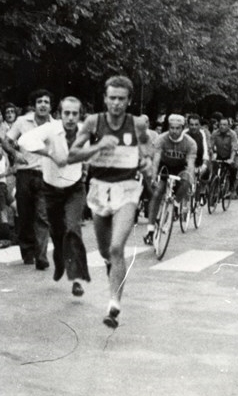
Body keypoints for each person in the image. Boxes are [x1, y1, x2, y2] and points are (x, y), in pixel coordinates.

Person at [68, 75, 150, 328]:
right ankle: (110, 268)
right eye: (112, 98)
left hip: (127, 189)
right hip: (99, 188)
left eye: (121, 99)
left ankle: (114, 303)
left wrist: (147, 162)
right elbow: (72, 155)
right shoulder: (94, 122)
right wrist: (98, 146)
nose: (116, 103)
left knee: (117, 248)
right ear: (105, 99)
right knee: (105, 251)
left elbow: (147, 148)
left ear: (129, 101)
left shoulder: (136, 125)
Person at [19, 96, 90, 296]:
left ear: (79, 115)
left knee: (73, 229)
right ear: (59, 114)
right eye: (66, 113)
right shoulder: (51, 129)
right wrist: (50, 153)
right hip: (50, 188)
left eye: (74, 113)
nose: (70, 117)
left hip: (74, 188)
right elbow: (24, 140)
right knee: (58, 234)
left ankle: (76, 278)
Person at [5, 90, 54, 270]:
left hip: (46, 176)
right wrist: (14, 153)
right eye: (39, 101)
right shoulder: (22, 122)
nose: (42, 105)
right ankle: (27, 251)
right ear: (34, 105)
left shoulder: (55, 126)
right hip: (25, 174)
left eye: (46, 102)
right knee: (25, 215)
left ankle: (41, 256)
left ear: (51, 106)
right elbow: (6, 141)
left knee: (43, 216)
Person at [142, 114, 196, 244]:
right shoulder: (161, 139)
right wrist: (154, 177)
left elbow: (190, 164)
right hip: (165, 166)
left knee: (186, 181)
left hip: (180, 168)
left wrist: (190, 180)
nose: (174, 131)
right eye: (172, 128)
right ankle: (150, 231)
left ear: (183, 128)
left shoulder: (190, 143)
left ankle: (176, 204)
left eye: (178, 128)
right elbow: (156, 160)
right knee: (157, 193)